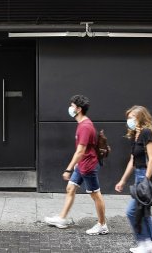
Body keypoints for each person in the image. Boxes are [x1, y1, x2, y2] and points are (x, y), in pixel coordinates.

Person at [44, 95, 109, 235]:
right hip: (82, 164)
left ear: (79, 109)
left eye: (72, 106)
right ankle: (61, 219)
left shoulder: (85, 126)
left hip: (88, 166)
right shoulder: (82, 124)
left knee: (95, 195)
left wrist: (68, 168)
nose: (70, 108)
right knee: (70, 188)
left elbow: (80, 151)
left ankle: (102, 224)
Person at [115, 105, 152, 253]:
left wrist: (146, 180)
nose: (129, 120)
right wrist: (123, 180)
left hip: (146, 176)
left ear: (141, 118)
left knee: (132, 211)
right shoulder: (135, 135)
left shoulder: (146, 133)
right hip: (138, 175)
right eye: (128, 117)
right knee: (144, 211)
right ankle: (148, 243)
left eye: (132, 117)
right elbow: (132, 160)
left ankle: (144, 242)